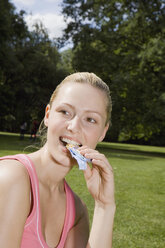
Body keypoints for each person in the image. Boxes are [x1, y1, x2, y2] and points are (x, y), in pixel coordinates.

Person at [0, 72, 116, 248]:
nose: (74, 127)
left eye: (90, 119)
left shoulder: (77, 211)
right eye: (65, 112)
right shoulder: (11, 177)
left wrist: (104, 206)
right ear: (48, 115)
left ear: (103, 132)